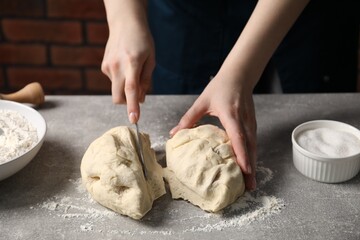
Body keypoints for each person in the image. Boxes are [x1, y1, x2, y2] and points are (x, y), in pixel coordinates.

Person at [101, 0, 358, 190]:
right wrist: (124, 17)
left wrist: (242, 70)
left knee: (302, 102)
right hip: (187, 19)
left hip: (295, 19)